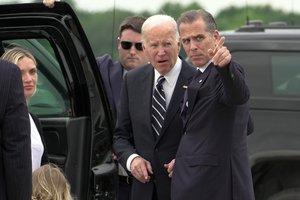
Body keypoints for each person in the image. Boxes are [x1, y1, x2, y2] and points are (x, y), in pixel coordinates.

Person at [170, 9, 255, 200]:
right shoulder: (197, 75)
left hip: (216, 187)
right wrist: (186, 157)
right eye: (186, 41)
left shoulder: (223, 71)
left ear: (215, 36)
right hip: (195, 182)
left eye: (199, 38)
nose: (192, 47)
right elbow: (244, 126)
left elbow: (237, 96)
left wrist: (226, 68)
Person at [113, 14, 196, 200]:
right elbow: (120, 136)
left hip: (185, 189)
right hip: (143, 191)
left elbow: (207, 137)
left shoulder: (198, 81)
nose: (161, 52)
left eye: (166, 44)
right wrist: (132, 160)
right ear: (144, 47)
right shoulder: (132, 80)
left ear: (178, 44)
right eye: (153, 45)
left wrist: (186, 161)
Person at [1, 47, 49, 172]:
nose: (29, 79)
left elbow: (44, 168)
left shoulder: (34, 120)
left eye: (32, 72)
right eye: (20, 73)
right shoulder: (3, 119)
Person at [0, 59, 32, 200]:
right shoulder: (6, 74)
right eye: (23, 72)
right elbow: (17, 150)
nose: (28, 79)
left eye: (32, 71)